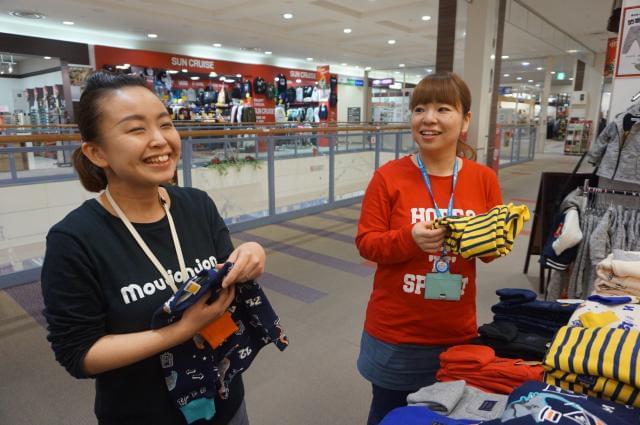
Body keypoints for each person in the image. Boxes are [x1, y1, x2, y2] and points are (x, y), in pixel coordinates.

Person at [41, 71, 266, 425]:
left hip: (226, 402)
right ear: (96, 152)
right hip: (143, 414)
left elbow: (227, 283)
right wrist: (180, 330)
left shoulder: (197, 205)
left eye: (165, 124)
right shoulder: (74, 240)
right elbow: (79, 353)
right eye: (136, 129)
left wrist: (250, 255)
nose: (160, 140)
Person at [355, 72, 503, 425]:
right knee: (389, 415)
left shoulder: (484, 179)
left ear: (465, 119)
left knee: (449, 416)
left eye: (443, 108)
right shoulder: (389, 176)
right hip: (396, 332)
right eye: (419, 108)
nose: (429, 118)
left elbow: (491, 253)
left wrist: (488, 237)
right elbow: (367, 243)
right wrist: (410, 238)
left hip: (455, 331)